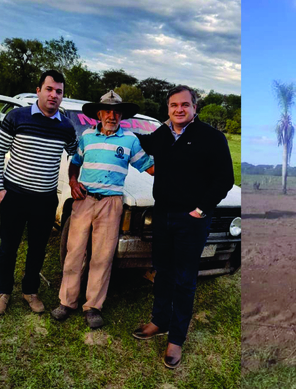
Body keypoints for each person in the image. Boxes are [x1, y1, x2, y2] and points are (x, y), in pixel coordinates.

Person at [132, 85, 234, 369]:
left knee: (185, 279)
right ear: (167, 109)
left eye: (185, 105)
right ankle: (159, 321)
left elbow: (224, 179)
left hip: (191, 220)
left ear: (194, 108)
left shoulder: (212, 138)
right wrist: (116, 130)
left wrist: (200, 210)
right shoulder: (162, 135)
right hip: (162, 215)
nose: (179, 109)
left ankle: (176, 339)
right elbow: (141, 142)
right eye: (174, 105)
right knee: (162, 272)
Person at [50, 90, 154, 328]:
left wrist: (181, 161)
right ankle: (67, 302)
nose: (112, 115)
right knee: (74, 252)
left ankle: (93, 307)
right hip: (84, 201)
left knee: (102, 256)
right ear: (98, 113)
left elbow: (149, 168)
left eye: (117, 112)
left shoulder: (130, 140)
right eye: (107, 111)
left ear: (122, 116)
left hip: (111, 203)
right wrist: (74, 183)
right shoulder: (87, 137)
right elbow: (74, 164)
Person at [0, 70, 78, 315]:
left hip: (45, 199)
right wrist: (0, 188)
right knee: (8, 246)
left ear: (63, 96)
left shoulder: (66, 127)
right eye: (49, 89)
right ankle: (3, 292)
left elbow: (77, 153)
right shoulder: (16, 117)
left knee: (37, 247)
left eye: (59, 91)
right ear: (39, 90)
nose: (53, 95)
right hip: (13, 194)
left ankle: (30, 291)